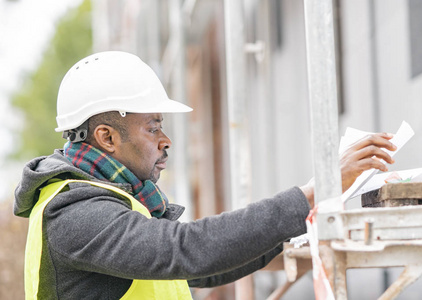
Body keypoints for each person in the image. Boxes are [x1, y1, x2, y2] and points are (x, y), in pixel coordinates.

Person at [14, 51, 396, 299]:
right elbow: (189, 251)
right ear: (107, 137)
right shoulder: (75, 212)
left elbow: (201, 272)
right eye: (153, 128)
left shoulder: (112, 202)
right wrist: (312, 193)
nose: (165, 141)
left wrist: (301, 243)